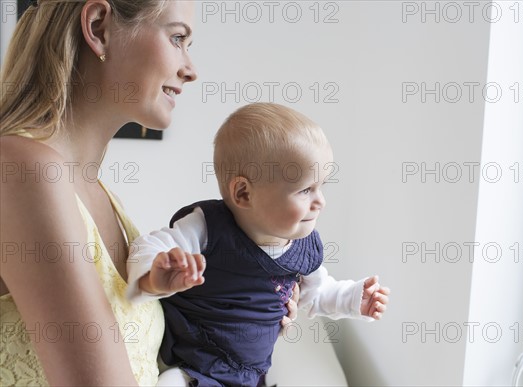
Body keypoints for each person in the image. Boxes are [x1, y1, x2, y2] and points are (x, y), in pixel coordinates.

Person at [0, 2, 302, 386]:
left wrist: (237, 323)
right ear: (98, 27)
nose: (191, 70)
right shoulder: (22, 170)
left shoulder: (109, 202)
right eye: (177, 38)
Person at [127, 102, 391, 386]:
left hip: (248, 375)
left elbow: (317, 293)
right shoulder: (208, 227)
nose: (321, 202)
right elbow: (149, 245)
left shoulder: (304, 248)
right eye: (305, 190)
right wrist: (154, 276)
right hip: (192, 363)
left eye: (321, 186)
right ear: (243, 194)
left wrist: (352, 299)